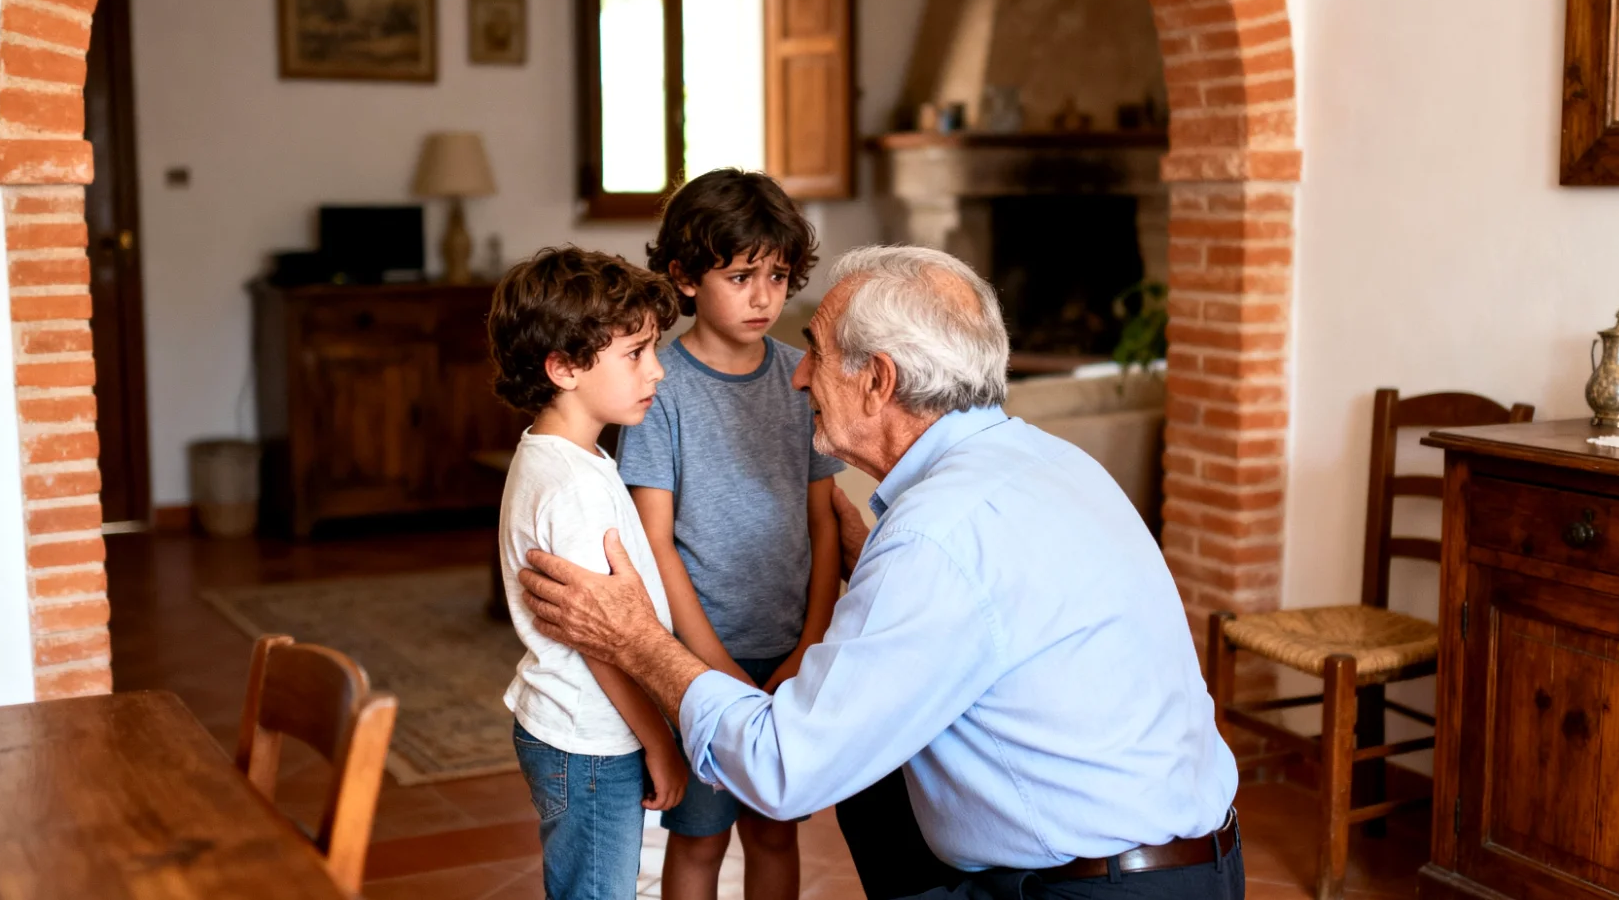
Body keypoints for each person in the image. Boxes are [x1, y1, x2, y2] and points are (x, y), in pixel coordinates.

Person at [517, 244, 1243, 900]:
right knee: (870, 777)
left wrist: (640, 641)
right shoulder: (1048, 460)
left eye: (816, 351)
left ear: (878, 380)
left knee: (840, 768)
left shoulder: (937, 536)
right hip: (1187, 863)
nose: (798, 375)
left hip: (1091, 890)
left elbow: (780, 769)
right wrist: (882, 571)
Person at [617, 168, 846, 900]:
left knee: (776, 831)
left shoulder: (803, 377)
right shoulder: (658, 390)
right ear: (685, 277)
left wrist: (810, 644)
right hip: (698, 656)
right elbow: (654, 543)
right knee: (700, 837)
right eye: (740, 276)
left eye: (777, 276)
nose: (763, 297)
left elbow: (823, 520)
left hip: (789, 653)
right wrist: (709, 669)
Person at [486, 246, 688, 900]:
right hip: (591, 741)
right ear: (564, 367)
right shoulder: (570, 484)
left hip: (579, 729)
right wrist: (657, 738)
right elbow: (598, 637)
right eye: (635, 353)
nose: (656, 369)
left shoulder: (564, 455)